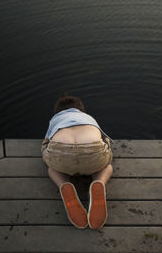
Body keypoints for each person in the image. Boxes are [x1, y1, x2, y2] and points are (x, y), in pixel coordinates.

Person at [41, 92, 114, 230]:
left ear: (57, 112)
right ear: (81, 110)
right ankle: (99, 182)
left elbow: (46, 142)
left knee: (51, 168)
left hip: (62, 154)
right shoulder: (88, 117)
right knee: (107, 166)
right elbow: (105, 138)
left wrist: (45, 155)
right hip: (92, 153)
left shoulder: (55, 119)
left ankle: (64, 185)